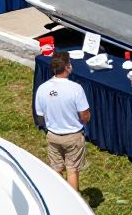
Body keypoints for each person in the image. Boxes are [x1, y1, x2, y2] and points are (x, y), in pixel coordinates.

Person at [34, 52, 91, 191]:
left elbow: (40, 116)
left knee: (56, 169)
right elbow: (84, 115)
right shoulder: (75, 89)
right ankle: (74, 203)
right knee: (72, 170)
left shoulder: (42, 89)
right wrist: (85, 121)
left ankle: (59, 200)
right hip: (73, 137)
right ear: (67, 67)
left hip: (53, 135)